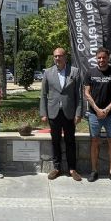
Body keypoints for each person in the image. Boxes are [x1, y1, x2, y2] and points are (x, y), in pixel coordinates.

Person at [40, 48, 83, 181]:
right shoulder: (48, 72)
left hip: (69, 113)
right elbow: (43, 94)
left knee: (70, 141)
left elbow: (79, 95)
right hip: (54, 113)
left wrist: (78, 113)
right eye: (55, 56)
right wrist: (43, 113)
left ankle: (72, 169)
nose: (57, 58)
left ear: (65, 57)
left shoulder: (74, 72)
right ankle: (56, 168)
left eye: (60, 56)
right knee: (55, 141)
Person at [83, 47, 111, 183]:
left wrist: (106, 110)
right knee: (94, 141)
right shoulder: (90, 72)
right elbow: (87, 93)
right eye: (99, 57)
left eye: (104, 57)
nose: (101, 60)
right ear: (96, 58)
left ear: (108, 58)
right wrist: (97, 109)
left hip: (110, 115)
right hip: (94, 114)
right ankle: (94, 170)